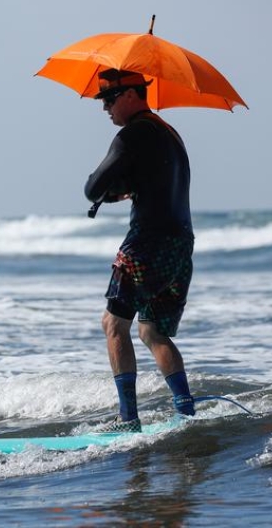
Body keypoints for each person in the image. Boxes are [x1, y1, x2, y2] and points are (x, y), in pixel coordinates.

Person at [84, 69, 195, 432]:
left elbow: (92, 187)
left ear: (132, 94)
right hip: (179, 245)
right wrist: (125, 189)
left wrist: (102, 189)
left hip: (146, 244)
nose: (105, 108)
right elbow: (152, 183)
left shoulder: (131, 134)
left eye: (109, 99)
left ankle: (128, 419)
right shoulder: (169, 134)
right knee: (151, 331)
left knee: (113, 323)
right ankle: (185, 412)